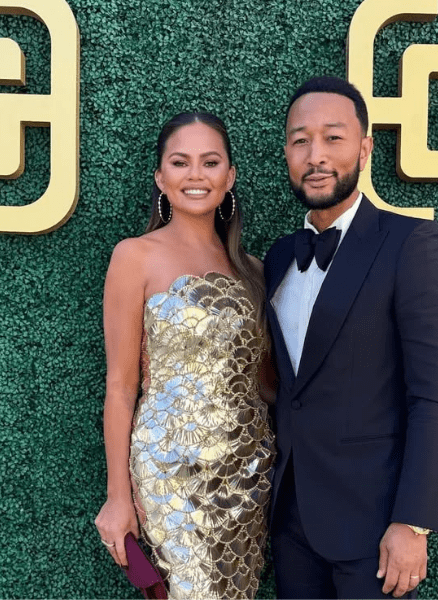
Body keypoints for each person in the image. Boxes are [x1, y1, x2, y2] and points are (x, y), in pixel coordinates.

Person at [264, 76, 438, 599]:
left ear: (365, 148)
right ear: (286, 151)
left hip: (375, 529)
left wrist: (413, 522)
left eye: (334, 137)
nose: (316, 155)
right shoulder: (280, 258)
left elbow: (433, 398)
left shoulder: (411, 244)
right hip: (290, 521)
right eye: (300, 139)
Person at [94, 112, 276, 600]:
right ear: (161, 177)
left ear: (229, 176)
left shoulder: (255, 271)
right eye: (180, 162)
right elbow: (120, 385)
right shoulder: (135, 257)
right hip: (170, 469)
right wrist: (117, 497)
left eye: (210, 162)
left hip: (248, 471)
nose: (196, 175)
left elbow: (267, 384)